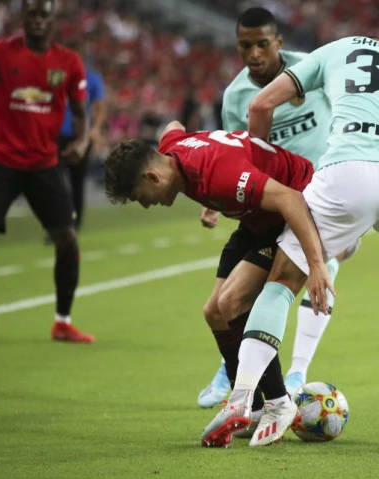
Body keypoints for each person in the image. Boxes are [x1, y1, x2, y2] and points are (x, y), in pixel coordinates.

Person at [204, 36, 379, 448]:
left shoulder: (338, 49)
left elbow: (260, 105)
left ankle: (242, 399)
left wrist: (262, 171)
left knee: (281, 282)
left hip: (345, 172)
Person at [102, 122, 333, 447]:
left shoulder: (221, 177)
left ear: (153, 177)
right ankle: (252, 411)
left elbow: (290, 199)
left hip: (294, 209)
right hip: (255, 218)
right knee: (215, 312)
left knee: (232, 301)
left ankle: (279, 402)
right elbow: (173, 127)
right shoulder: (171, 149)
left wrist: (317, 264)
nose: (146, 205)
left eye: (141, 197)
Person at [196, 7, 358, 409]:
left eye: (262, 44)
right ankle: (234, 365)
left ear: (278, 43)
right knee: (252, 289)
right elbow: (235, 152)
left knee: (321, 263)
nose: (254, 53)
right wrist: (213, 202)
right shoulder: (236, 96)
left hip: (324, 195)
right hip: (274, 203)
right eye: (245, 45)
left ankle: (297, 371)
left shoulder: (311, 69)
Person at [0, 0, 94, 345]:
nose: (37, 20)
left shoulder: (69, 62)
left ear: (53, 19)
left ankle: (63, 322)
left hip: (44, 164)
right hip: (1, 160)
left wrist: (82, 141)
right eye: (32, 14)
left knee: (67, 238)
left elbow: (81, 111)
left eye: (44, 14)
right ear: (23, 17)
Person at [57, 39, 106, 233]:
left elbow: (99, 107)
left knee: (76, 182)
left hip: (81, 137)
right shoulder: (57, 77)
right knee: (55, 182)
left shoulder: (92, 78)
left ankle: (74, 225)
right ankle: (59, 223)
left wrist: (96, 129)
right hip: (57, 136)